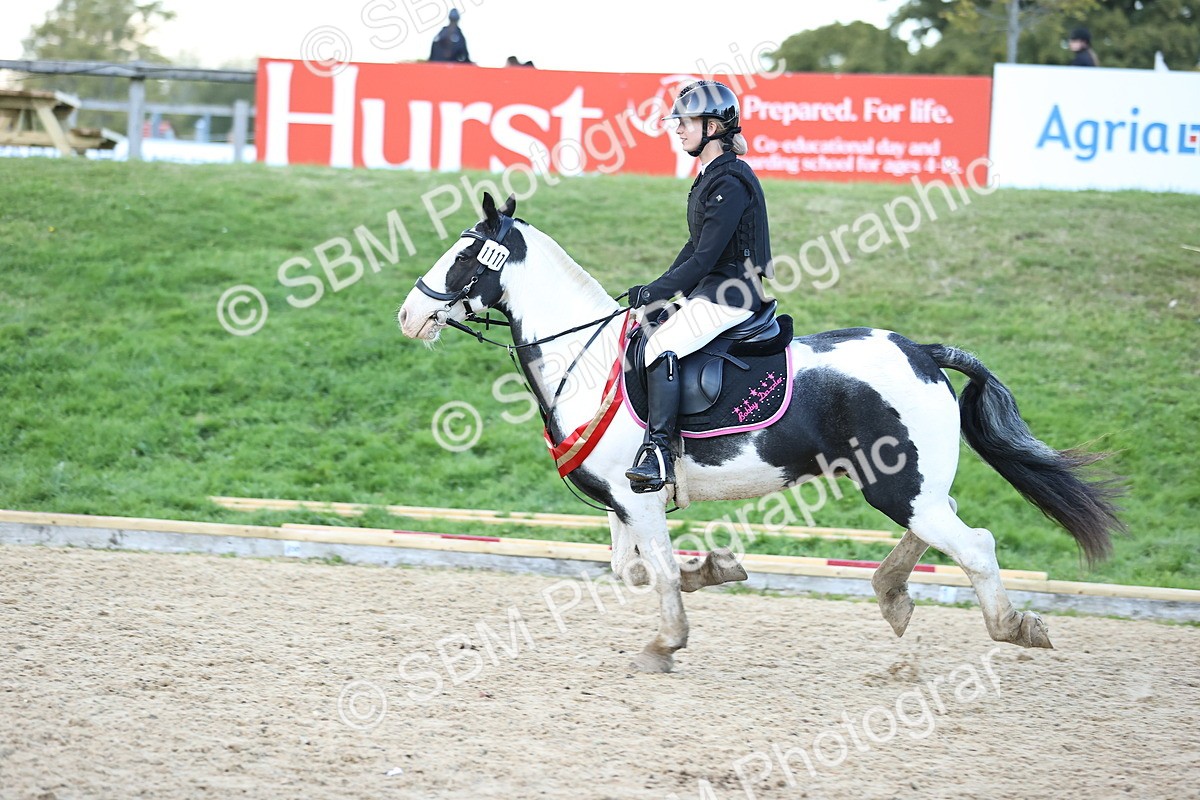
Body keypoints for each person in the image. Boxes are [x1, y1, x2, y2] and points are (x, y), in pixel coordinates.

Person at [624, 80, 773, 493]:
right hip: (711, 291)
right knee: (645, 329)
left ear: (712, 127)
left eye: (685, 122)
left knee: (659, 345)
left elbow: (706, 258)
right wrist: (654, 289)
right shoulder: (711, 175)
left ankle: (658, 453)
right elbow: (695, 246)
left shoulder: (730, 180)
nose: (678, 129)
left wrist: (657, 292)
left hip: (732, 294)